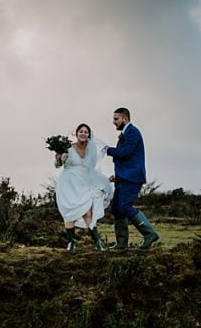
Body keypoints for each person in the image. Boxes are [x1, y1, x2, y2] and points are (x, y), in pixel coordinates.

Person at [104, 107, 160, 249]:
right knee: (116, 208)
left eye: (116, 119)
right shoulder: (125, 133)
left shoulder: (132, 132)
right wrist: (117, 176)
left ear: (125, 118)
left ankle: (150, 234)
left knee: (124, 206)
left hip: (133, 178)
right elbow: (126, 160)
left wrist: (106, 149)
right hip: (123, 178)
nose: (113, 122)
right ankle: (121, 244)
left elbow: (125, 153)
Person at [54, 123, 114, 251]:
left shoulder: (91, 149)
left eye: (85, 132)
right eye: (80, 131)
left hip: (83, 183)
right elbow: (58, 164)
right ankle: (71, 242)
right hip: (68, 183)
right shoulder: (68, 147)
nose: (83, 134)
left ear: (89, 135)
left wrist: (102, 180)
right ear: (76, 134)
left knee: (88, 212)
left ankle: (97, 243)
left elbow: (92, 168)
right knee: (70, 212)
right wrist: (58, 157)